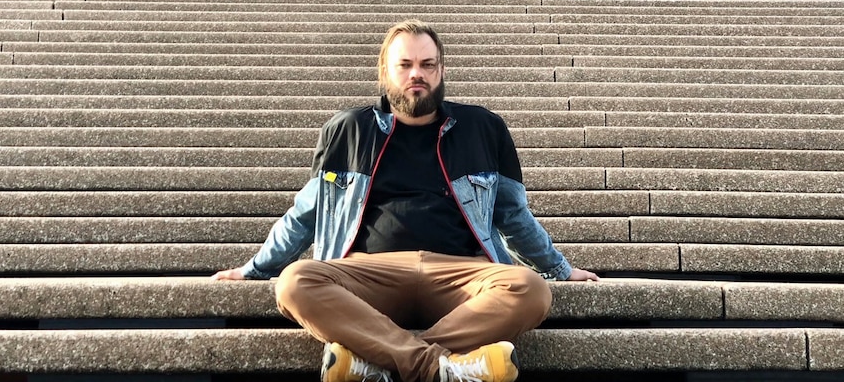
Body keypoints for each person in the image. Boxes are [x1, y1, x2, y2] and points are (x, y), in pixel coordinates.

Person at [212, 19, 599, 382]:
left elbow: (512, 216)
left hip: (460, 275)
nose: (418, 73)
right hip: (368, 273)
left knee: (530, 289)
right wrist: (253, 270)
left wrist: (559, 269)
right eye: (406, 64)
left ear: (441, 70)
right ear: (386, 71)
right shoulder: (348, 129)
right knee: (295, 282)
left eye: (428, 64)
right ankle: (440, 367)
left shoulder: (484, 128)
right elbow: (305, 215)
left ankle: (376, 365)